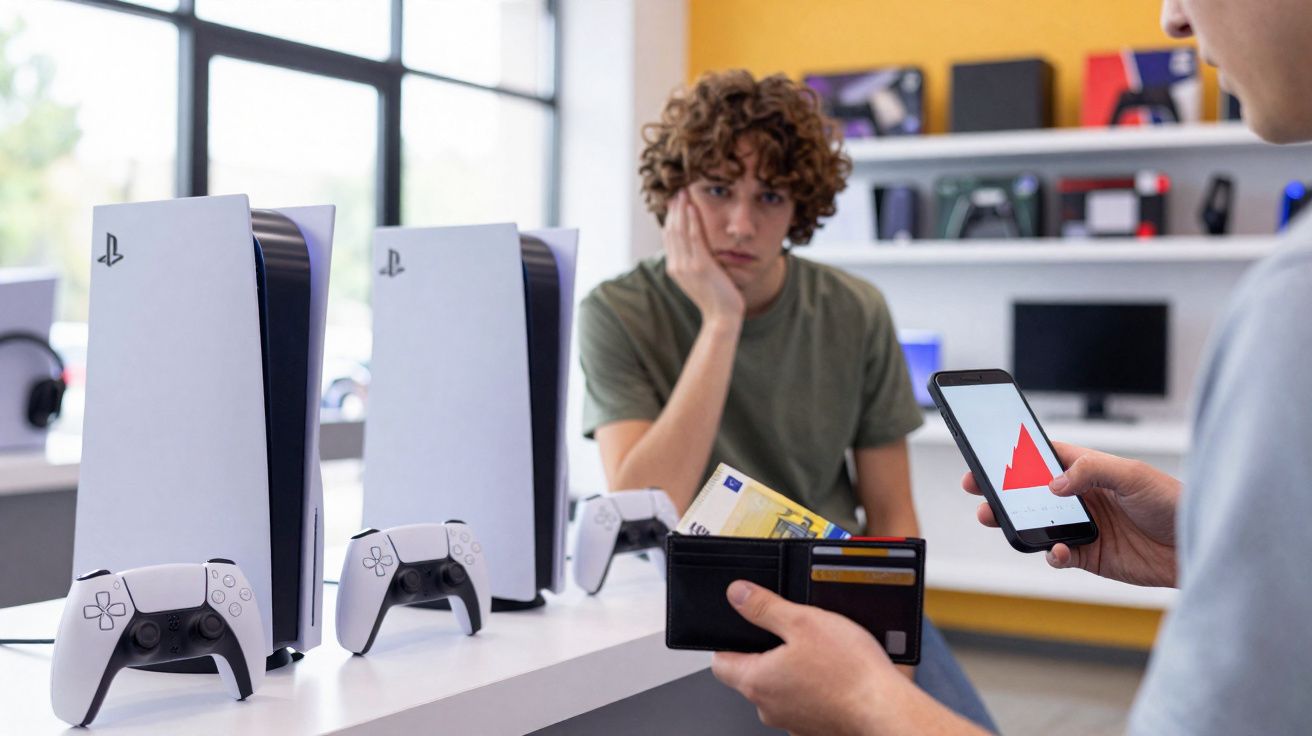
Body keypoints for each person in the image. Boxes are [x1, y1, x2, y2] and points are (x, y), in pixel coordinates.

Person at [709, 1, 1312, 734]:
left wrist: (870, 704)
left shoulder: (1294, 299)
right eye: (717, 191)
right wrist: (1209, 538)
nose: (1172, 19)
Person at [577, 70, 995, 730]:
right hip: (700, 591)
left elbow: (890, 507)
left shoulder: (854, 309)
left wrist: (894, 654)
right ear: (675, 194)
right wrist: (721, 321)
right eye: (717, 190)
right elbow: (646, 507)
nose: (740, 224)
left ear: (798, 209)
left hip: (840, 587)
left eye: (769, 197)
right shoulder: (618, 311)